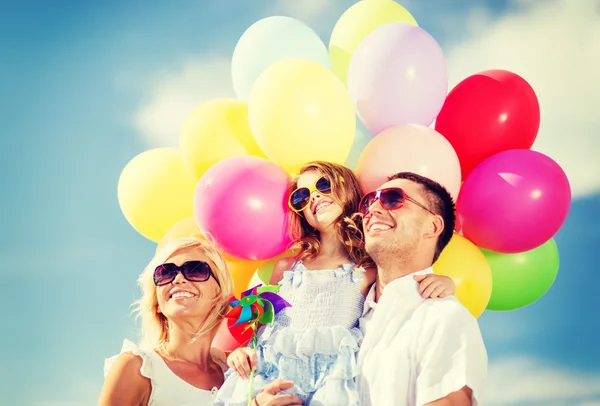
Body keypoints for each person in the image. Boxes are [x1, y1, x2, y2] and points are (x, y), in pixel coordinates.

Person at [215, 162, 456, 406]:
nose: (314, 197)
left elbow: (402, 297)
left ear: (348, 189)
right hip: (271, 377)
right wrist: (241, 352)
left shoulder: (369, 268)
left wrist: (444, 281)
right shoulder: (287, 268)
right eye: (302, 196)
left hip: (329, 384)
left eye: (323, 185)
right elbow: (264, 330)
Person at [99, 236, 302, 406]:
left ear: (219, 292)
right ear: (157, 302)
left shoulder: (238, 369)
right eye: (165, 273)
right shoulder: (138, 367)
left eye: (196, 269)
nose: (177, 279)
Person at [356, 172, 488, 406]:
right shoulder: (345, 310)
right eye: (369, 201)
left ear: (433, 225)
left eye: (393, 199)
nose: (373, 208)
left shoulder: (444, 318)